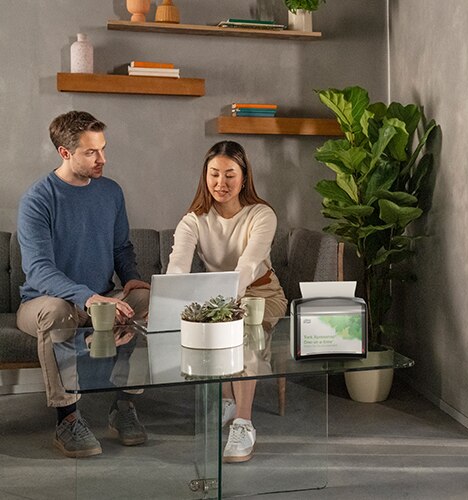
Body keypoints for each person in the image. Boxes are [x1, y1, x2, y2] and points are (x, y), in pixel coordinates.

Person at [17, 111, 151, 458]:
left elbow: (121, 248)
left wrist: (131, 277)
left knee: (145, 300)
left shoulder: (110, 192)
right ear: (65, 152)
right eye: (91, 152)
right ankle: (68, 419)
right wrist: (88, 297)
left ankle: (123, 407)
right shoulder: (38, 199)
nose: (102, 159)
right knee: (57, 311)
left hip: (100, 296)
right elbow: (39, 270)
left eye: (103, 149)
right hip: (44, 301)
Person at [167, 141, 287, 463]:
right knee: (217, 328)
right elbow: (178, 264)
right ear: (205, 177)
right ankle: (226, 399)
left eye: (230, 175)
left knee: (241, 331)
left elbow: (247, 265)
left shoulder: (262, 215)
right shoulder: (193, 220)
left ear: (245, 177)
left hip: (261, 294)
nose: (221, 183)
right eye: (214, 174)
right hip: (217, 298)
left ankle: (243, 423)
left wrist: (224, 309)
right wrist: (171, 298)